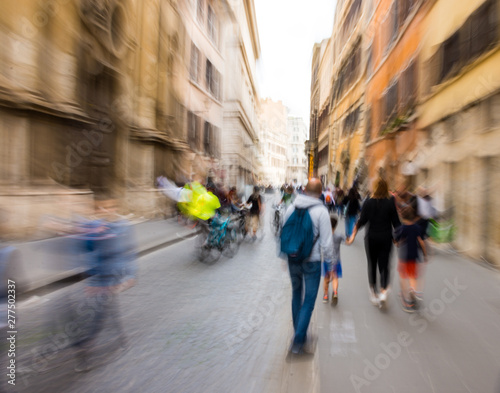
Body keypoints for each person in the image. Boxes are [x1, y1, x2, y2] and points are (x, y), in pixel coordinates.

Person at [282, 178, 333, 354]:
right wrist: (330, 265)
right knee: (309, 301)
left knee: (296, 295)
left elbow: (284, 234)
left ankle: (300, 334)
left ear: (304, 190)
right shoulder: (321, 211)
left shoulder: (291, 207)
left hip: (293, 259)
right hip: (312, 262)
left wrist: (284, 257)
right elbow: (327, 243)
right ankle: (297, 343)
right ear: (320, 193)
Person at [348, 177, 401, 307]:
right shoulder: (390, 202)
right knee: (385, 264)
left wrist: (353, 235)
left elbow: (361, 221)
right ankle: (383, 291)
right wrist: (397, 239)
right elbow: (397, 223)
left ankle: (373, 292)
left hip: (371, 238)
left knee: (372, 264)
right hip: (386, 238)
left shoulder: (368, 202)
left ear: (375, 187)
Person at [394, 205, 428, 312]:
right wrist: (425, 254)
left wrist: (398, 243)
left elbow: (397, 242)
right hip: (414, 256)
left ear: (402, 217)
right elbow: (421, 242)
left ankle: (406, 299)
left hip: (404, 257)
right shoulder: (417, 227)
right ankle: (413, 291)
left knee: (403, 277)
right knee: (413, 276)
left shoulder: (402, 228)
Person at [323, 214, 349, 305]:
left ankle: (326, 296)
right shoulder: (339, 235)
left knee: (326, 278)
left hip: (327, 260)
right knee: (335, 277)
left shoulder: (324, 235)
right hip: (336, 261)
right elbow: (348, 242)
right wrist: (353, 234)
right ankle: (335, 292)